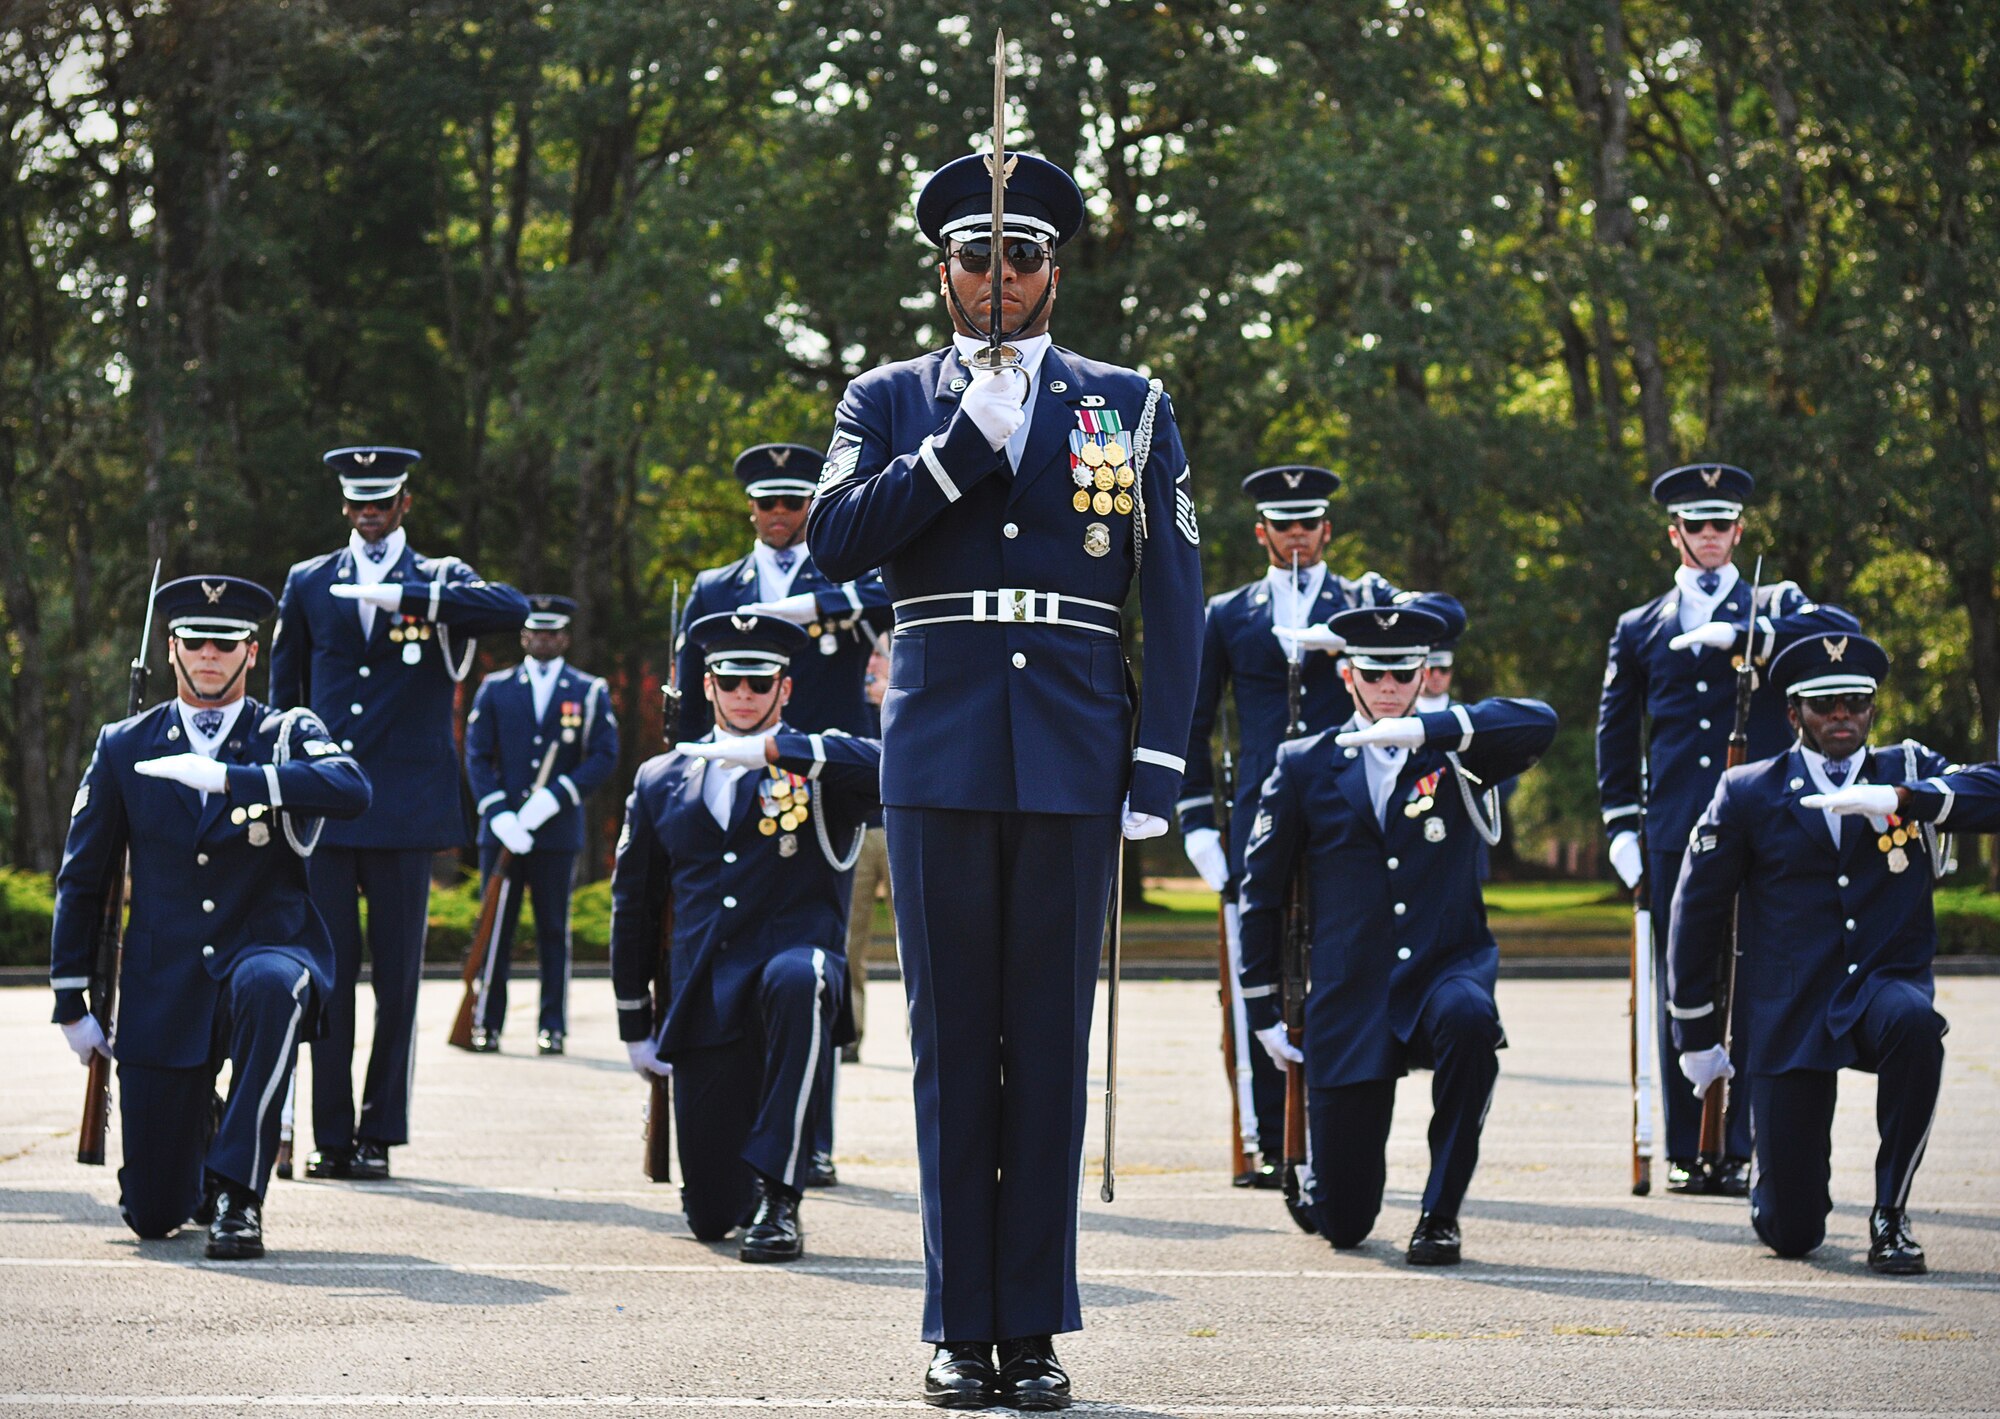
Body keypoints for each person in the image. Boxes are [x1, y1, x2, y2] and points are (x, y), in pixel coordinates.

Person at [808, 149, 1204, 1410]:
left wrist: (1157, 766)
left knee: (1044, 1043)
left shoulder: (1126, 403)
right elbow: (831, 540)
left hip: (1077, 744)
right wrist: (951, 454)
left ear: (1050, 272)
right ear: (943, 273)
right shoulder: (884, 400)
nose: (996, 277)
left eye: (1019, 256)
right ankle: (951, 1323)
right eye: (975, 257)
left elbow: (1177, 600)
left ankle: (1028, 1327)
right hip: (935, 750)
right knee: (947, 1048)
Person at [50, 576, 370, 1257]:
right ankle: (207, 1129)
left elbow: (352, 788)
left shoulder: (284, 730)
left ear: (251, 653)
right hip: (165, 982)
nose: (210, 655)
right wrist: (71, 996)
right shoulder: (124, 744)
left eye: (226, 643)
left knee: (272, 986)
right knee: (154, 1214)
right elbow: (83, 877)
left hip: (265, 949)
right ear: (172, 649)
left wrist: (232, 778)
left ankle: (238, 1193)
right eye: (196, 640)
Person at [1237, 600, 1558, 1265]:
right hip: (1351, 993)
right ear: (1348, 675)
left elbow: (1540, 720)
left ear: (1424, 675)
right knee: (1345, 1225)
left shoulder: (1463, 751)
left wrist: (1437, 729)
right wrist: (1263, 1007)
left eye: (1404, 674)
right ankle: (1326, 1185)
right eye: (1376, 675)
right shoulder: (1304, 763)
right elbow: (1261, 891)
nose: (1390, 689)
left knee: (1472, 1021)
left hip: (1445, 968)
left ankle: (1440, 1214)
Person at [1669, 630, 2000, 1275]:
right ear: (1794, 715)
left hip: (1879, 986)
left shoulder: (1905, 769)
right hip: (1788, 1007)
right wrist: (1695, 1034)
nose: (1842, 716)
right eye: (1825, 705)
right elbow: (1697, 911)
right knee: (1791, 1232)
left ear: (1872, 707)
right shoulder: (1747, 791)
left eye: (1855, 701)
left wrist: (1907, 800)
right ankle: (1778, 1176)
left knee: (1916, 1024)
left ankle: (1890, 1212)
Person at [269, 446, 529, 1180]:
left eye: (381, 502)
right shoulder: (310, 581)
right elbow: (285, 694)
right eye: (357, 503)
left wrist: (410, 601)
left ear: (404, 502)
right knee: (328, 976)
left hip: (405, 812)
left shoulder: (439, 578)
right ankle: (332, 1133)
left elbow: (513, 609)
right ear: (344, 506)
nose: (369, 514)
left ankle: (380, 1131)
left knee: (397, 984)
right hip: (324, 811)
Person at [1595, 462, 1853, 1196]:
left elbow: (1843, 633)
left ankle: (1740, 1143)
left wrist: (1758, 634)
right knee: (1685, 977)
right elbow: (1617, 731)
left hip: (1767, 822)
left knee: (1760, 978)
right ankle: (1688, 1142)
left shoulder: (1777, 604)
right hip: (1678, 823)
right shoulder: (1639, 625)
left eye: (1721, 525)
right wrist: (1620, 822)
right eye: (1695, 525)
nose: (1709, 537)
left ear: (1738, 532)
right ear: (1674, 533)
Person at [609, 612, 877, 1263]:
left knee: (802, 976)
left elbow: (895, 765)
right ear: (707, 686)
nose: (745, 695)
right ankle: (743, 1191)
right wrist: (635, 1022)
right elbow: (634, 904)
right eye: (731, 681)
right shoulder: (662, 777)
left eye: (760, 682)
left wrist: (776, 752)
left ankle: (782, 1196)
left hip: (791, 974)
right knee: (710, 1215)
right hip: (704, 996)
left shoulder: (819, 766)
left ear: (786, 687)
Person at [675, 442, 894, 1185]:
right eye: (767, 503)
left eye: (794, 503)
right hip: (728, 793)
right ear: (750, 509)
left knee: (817, 968)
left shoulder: (845, 574)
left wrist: (819, 605)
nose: (779, 515)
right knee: (729, 965)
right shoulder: (714, 587)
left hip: (820, 795)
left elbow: (900, 596)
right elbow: (684, 700)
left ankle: (815, 1136)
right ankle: (734, 1132)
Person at [1176, 466, 1399, 1188]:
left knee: (1341, 969)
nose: (1297, 534)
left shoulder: (1364, 605)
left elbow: (1433, 634)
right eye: (1284, 522)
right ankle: (1272, 1136)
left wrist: (1350, 636)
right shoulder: (1228, 614)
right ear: (1261, 531)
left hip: (1342, 812)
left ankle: (1333, 1130)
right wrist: (1197, 824)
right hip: (1261, 819)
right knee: (1261, 971)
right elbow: (1195, 723)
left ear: (1327, 529)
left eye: (1309, 522)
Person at [463, 593, 620, 1054]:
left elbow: (603, 755)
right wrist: (497, 810)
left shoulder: (588, 691)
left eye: (553, 633)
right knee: (496, 928)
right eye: (536, 632)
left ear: (565, 638)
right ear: (523, 636)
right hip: (504, 830)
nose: (544, 640)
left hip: (554, 830)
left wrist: (555, 797)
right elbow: (476, 754)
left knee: (553, 930)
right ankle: (486, 1022)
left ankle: (552, 1025)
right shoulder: (495, 687)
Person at [841, 631, 894, 1064]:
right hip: (859, 829)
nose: (874, 666)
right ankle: (848, 1034)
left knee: (922, 943)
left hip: (904, 829)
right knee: (848, 941)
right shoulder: (850, 704)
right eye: (871, 657)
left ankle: (928, 1035)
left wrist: (894, 698)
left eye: (883, 655)